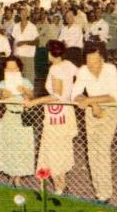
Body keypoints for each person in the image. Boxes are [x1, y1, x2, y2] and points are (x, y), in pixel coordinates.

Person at [27, 40, 79, 194]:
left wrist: (35, 102)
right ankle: (62, 185)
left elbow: (56, 95)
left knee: (52, 149)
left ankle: (60, 188)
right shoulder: (69, 65)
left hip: (57, 113)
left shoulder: (55, 68)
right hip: (66, 111)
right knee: (61, 148)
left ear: (50, 53)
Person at [72, 43, 117, 202]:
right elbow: (75, 95)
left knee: (103, 148)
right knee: (92, 151)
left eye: (95, 62)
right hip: (91, 111)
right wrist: (93, 104)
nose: (92, 66)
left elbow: (113, 96)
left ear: (102, 58)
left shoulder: (110, 69)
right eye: (88, 62)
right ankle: (99, 190)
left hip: (109, 110)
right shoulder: (83, 71)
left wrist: (92, 101)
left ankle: (106, 192)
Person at [0, 57, 36, 186]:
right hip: (9, 117)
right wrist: (4, 94)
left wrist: (25, 91)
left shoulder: (25, 82)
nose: (12, 70)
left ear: (19, 68)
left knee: (22, 147)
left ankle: (18, 177)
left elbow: (32, 97)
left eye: (14, 68)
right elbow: (0, 96)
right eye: (8, 68)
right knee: (9, 146)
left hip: (23, 117)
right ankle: (11, 174)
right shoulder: (3, 83)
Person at [11, 8, 39, 87]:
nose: (23, 15)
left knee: (29, 78)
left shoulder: (32, 26)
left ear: (28, 15)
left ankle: (29, 95)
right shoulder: (16, 26)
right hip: (17, 55)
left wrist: (24, 42)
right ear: (19, 15)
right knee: (17, 77)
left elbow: (37, 42)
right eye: (21, 13)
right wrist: (13, 54)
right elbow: (13, 41)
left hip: (28, 56)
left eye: (25, 13)